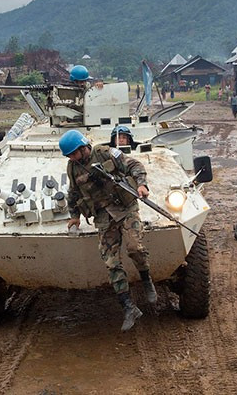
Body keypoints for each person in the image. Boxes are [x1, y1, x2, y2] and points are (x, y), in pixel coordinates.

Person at [61, 129, 155, 332]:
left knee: (135, 248)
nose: (71, 158)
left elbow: (133, 165)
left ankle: (146, 280)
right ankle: (129, 307)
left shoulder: (105, 153)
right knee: (111, 262)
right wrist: (74, 215)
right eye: (69, 156)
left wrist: (142, 185)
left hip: (125, 208)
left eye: (73, 153)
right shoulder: (72, 168)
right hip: (104, 217)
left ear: (83, 147)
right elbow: (73, 192)